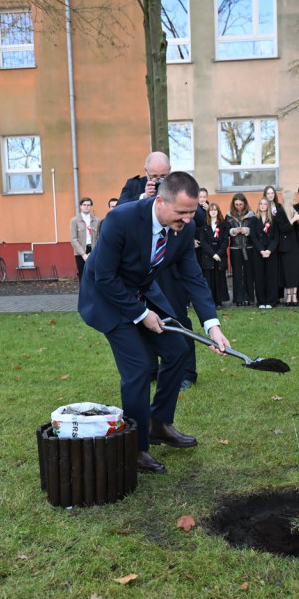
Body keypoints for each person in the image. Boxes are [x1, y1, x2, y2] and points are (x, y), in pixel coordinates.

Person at [78, 172, 229, 474]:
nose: (188, 219)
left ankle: (158, 423)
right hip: (106, 298)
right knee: (137, 368)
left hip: (139, 291)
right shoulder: (120, 220)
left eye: (192, 212)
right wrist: (141, 314)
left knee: (178, 349)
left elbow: (194, 278)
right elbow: (104, 277)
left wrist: (213, 326)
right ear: (160, 201)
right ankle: (135, 449)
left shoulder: (185, 229)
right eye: (182, 212)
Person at [117, 152, 199, 390]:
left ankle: (186, 373)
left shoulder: (182, 185)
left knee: (178, 320)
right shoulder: (134, 186)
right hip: (144, 271)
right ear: (145, 172)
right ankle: (151, 369)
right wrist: (146, 197)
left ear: (171, 170)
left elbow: (198, 216)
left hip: (170, 271)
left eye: (164, 175)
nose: (160, 179)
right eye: (155, 176)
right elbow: (118, 212)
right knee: (145, 320)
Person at [275, 188, 299, 306]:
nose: (295, 199)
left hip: (296, 246)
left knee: (295, 271)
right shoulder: (280, 212)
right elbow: (283, 229)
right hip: (285, 246)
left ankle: (294, 296)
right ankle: (288, 296)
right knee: (287, 272)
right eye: (293, 197)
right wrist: (293, 220)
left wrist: (298, 220)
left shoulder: (295, 210)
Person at [249, 195, 279, 309]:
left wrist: (269, 250)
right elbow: (254, 237)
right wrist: (261, 250)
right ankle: (261, 301)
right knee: (259, 276)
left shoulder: (273, 219)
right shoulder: (254, 219)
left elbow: (276, 237)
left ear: (268, 206)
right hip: (258, 252)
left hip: (271, 252)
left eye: (265, 204)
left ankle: (271, 301)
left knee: (271, 277)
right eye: (260, 204)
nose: (262, 206)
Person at [226, 193, 255, 306]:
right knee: (237, 274)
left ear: (245, 204)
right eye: (236, 204)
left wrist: (247, 230)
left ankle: (248, 297)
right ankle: (238, 298)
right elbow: (225, 230)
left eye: (241, 204)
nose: (239, 206)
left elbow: (255, 230)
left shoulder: (251, 215)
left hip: (248, 247)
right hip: (235, 248)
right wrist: (233, 231)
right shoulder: (229, 216)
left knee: (248, 273)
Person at [199, 202, 230, 307]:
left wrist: (219, 253)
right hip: (209, 256)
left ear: (218, 211)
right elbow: (203, 242)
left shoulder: (224, 225)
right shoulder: (204, 225)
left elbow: (225, 241)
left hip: (220, 256)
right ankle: (210, 301)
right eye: (211, 210)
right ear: (208, 212)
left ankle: (219, 301)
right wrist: (213, 254)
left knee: (219, 279)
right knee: (209, 279)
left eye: (215, 210)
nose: (213, 212)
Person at [69, 196, 100, 281]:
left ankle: (93, 294)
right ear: (80, 206)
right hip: (80, 252)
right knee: (83, 276)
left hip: (93, 250)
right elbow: (73, 239)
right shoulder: (74, 220)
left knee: (94, 275)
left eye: (88, 205)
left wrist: (93, 252)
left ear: (91, 206)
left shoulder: (96, 220)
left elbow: (99, 238)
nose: (86, 206)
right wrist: (83, 254)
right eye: (84, 205)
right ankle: (83, 294)